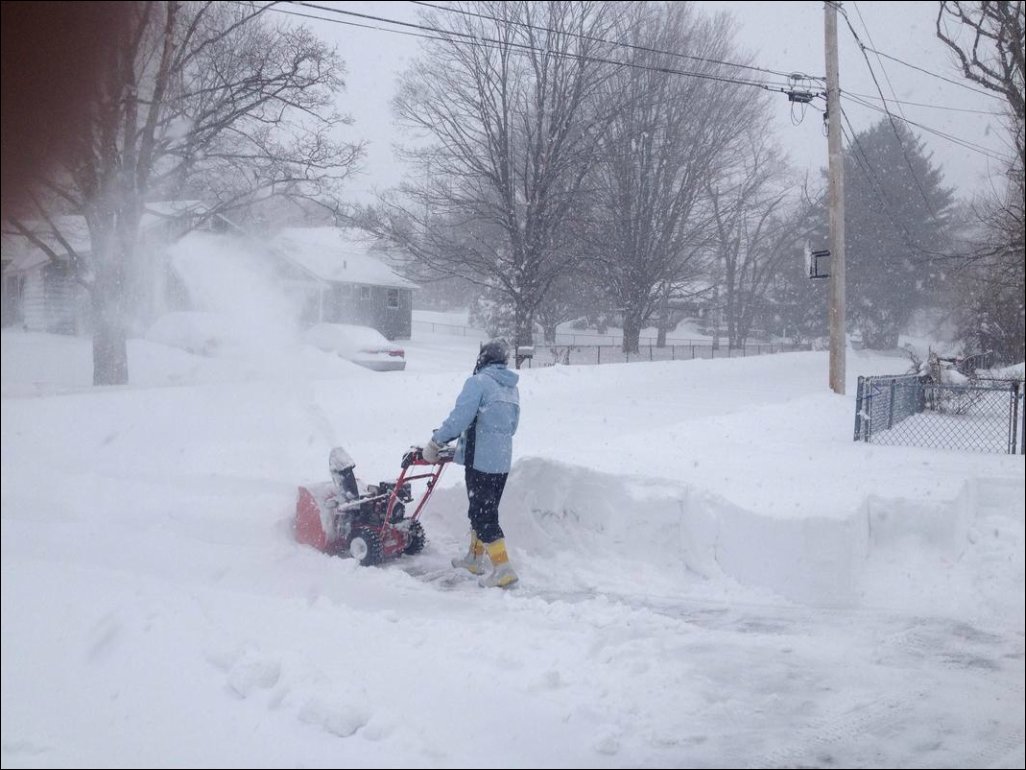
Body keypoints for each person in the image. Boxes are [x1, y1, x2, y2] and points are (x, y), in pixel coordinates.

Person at [423, 338, 520, 588]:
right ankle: (475, 558)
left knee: (482, 514)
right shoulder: (511, 388)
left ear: (483, 359)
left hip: (480, 462)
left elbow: (459, 419)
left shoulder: (477, 383)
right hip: (501, 461)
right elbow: (512, 426)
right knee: (487, 510)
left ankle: (503, 569)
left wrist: (436, 442)